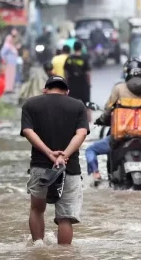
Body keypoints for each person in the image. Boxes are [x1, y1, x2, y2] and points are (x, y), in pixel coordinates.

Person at [21, 76, 90, 245]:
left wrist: (48, 153)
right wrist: (64, 155)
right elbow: (81, 134)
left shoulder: (30, 104)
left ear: (45, 89)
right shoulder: (78, 106)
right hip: (70, 167)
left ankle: (38, 247)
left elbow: (28, 132)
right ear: (67, 92)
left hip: (40, 165)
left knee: (37, 209)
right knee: (65, 217)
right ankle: (64, 259)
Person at [86, 59, 141, 185]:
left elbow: (108, 110)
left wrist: (102, 119)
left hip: (121, 136)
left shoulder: (119, 89)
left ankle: (96, 175)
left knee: (90, 150)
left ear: (127, 74)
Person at [64, 41, 92, 120]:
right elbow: (87, 73)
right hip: (83, 84)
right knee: (87, 103)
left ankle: (71, 119)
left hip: (72, 84)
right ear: (81, 48)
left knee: (72, 103)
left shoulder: (69, 59)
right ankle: (89, 120)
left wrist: (67, 83)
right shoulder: (84, 58)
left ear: (74, 48)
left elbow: (66, 72)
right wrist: (89, 84)